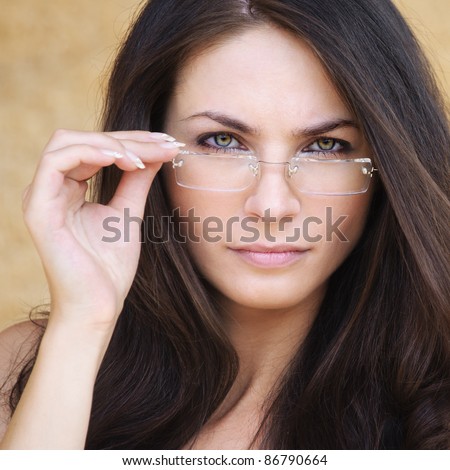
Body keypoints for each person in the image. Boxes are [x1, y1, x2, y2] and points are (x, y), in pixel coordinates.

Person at [0, 0, 448, 450]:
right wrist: (83, 324)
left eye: (326, 146)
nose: (272, 208)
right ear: (148, 145)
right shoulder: (24, 368)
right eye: (223, 141)